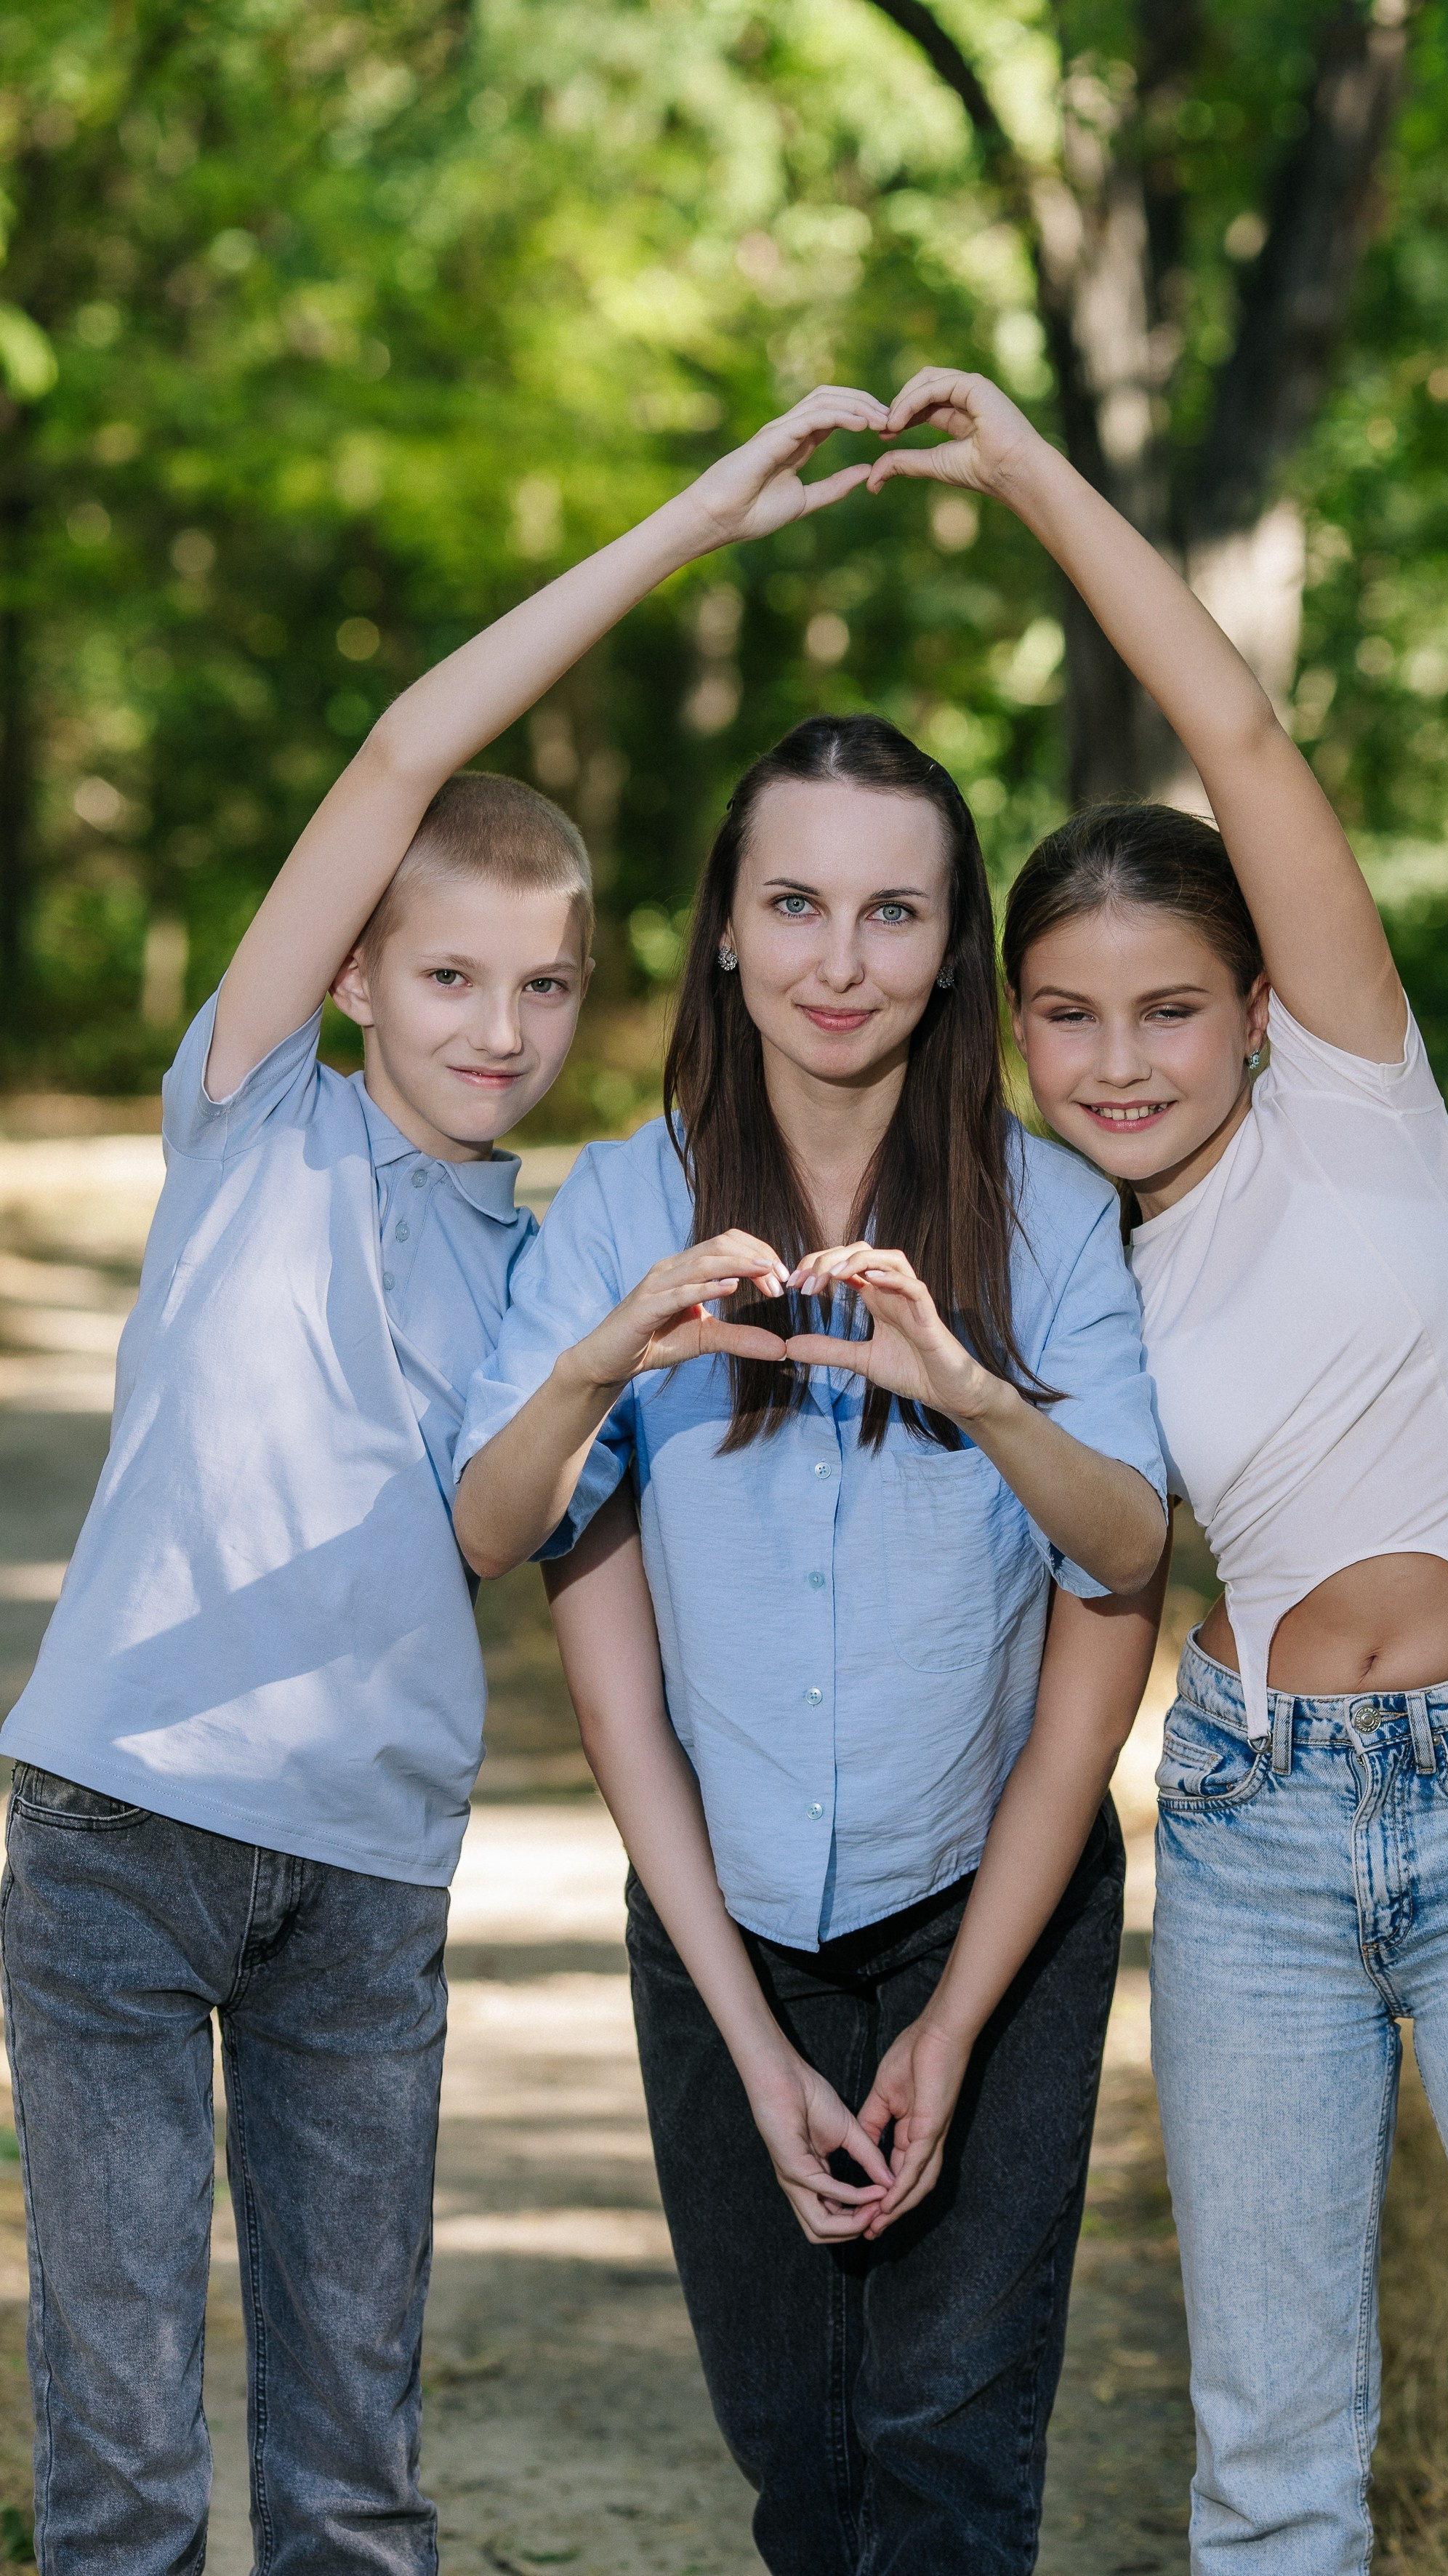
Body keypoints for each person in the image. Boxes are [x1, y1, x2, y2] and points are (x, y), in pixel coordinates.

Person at [0, 386, 896, 2576]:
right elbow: (407, 750)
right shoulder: (257, 1118)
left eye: (544, 985)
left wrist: (608, 1352)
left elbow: (497, 1533)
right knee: (120, 2459)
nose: (498, 1026)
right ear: (356, 977)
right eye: (448, 975)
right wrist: (690, 528)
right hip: (118, 1831)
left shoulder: (557, 1259)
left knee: (353, 2468)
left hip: (371, 1875)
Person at [854, 361, 1448, 2571]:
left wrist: (1028, 472)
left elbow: (1232, 731)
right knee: (1266, 2462)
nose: (1117, 1059)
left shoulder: (1353, 1091)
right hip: (1249, 1819)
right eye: (1065, 1017)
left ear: (1256, 1002)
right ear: (1016, 1033)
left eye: (1166, 1007)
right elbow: (1092, 1557)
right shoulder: (1077, 1267)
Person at [451, 710, 1170, 2573]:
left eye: (890, 912)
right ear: (723, 926)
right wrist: (596, 1361)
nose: (838, 960)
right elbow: (496, 1529)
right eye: (793, 903)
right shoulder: (620, 1203)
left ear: (948, 951)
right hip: (726, 1911)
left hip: (989, 1902)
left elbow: (1122, 1551)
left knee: (944, 2442)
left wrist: (976, 1390)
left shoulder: (1050, 1211)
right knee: (796, 2451)